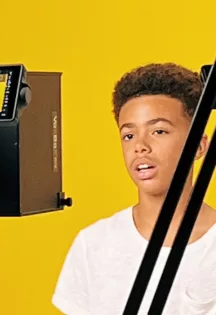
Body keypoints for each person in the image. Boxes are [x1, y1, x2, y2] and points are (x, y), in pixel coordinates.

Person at [52, 63, 216, 315]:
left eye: (159, 131)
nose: (140, 146)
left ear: (199, 146)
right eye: (128, 136)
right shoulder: (94, 244)